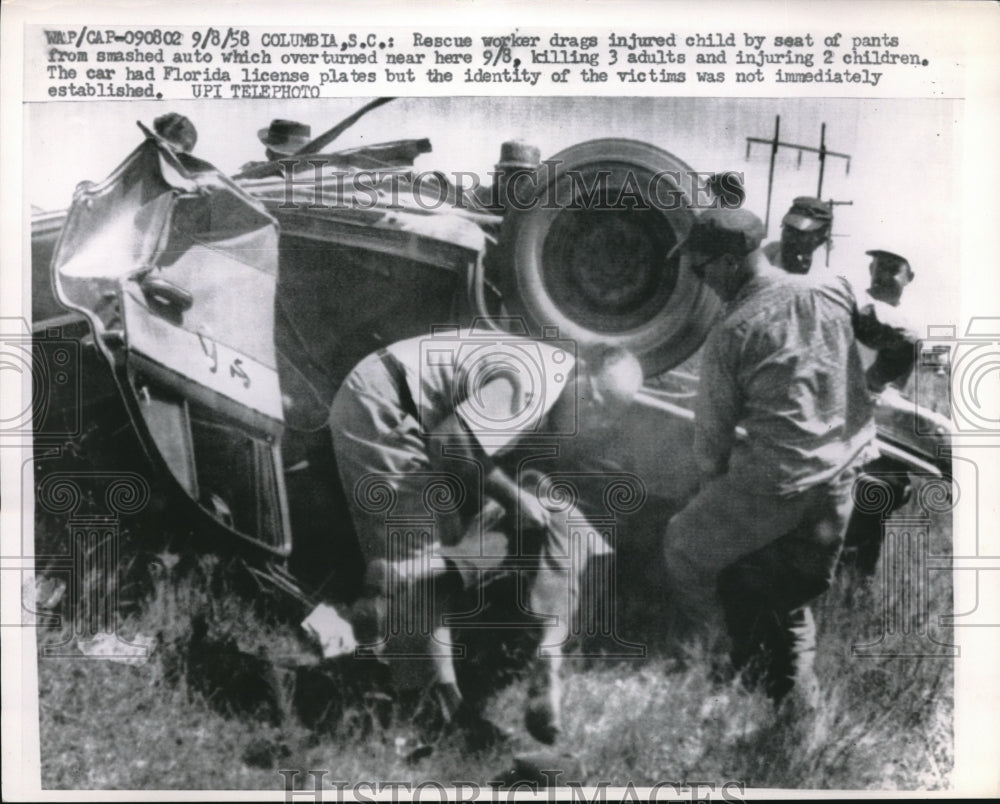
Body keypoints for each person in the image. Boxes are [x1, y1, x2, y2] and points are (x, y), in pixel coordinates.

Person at [661, 208, 917, 720]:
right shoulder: (836, 289)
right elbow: (905, 339)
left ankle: (716, 657)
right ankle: (802, 717)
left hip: (776, 485)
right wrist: (875, 384)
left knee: (683, 547)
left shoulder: (730, 333)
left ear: (730, 263)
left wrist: (716, 493)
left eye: (700, 267)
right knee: (791, 600)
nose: (697, 278)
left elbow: (710, 451)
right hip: (839, 485)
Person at [329, 329, 643, 746]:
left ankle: (431, 671)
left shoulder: (548, 381)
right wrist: (514, 500)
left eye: (609, 417)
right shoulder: (535, 385)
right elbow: (450, 442)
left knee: (448, 550)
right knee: (420, 563)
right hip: (384, 407)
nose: (597, 421)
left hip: (406, 409)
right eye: (597, 403)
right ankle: (431, 717)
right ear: (582, 371)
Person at [841, 249, 919, 577]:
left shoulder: (907, 327)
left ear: (908, 277)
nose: (883, 273)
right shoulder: (851, 306)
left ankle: (858, 582)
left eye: (893, 268)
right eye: (878, 265)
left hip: (872, 418)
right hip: (833, 412)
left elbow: (893, 388)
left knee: (882, 490)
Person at [763, 196, 833, 274]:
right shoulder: (767, 256)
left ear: (819, 241)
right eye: (788, 229)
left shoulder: (825, 276)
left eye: (801, 234)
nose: (790, 239)